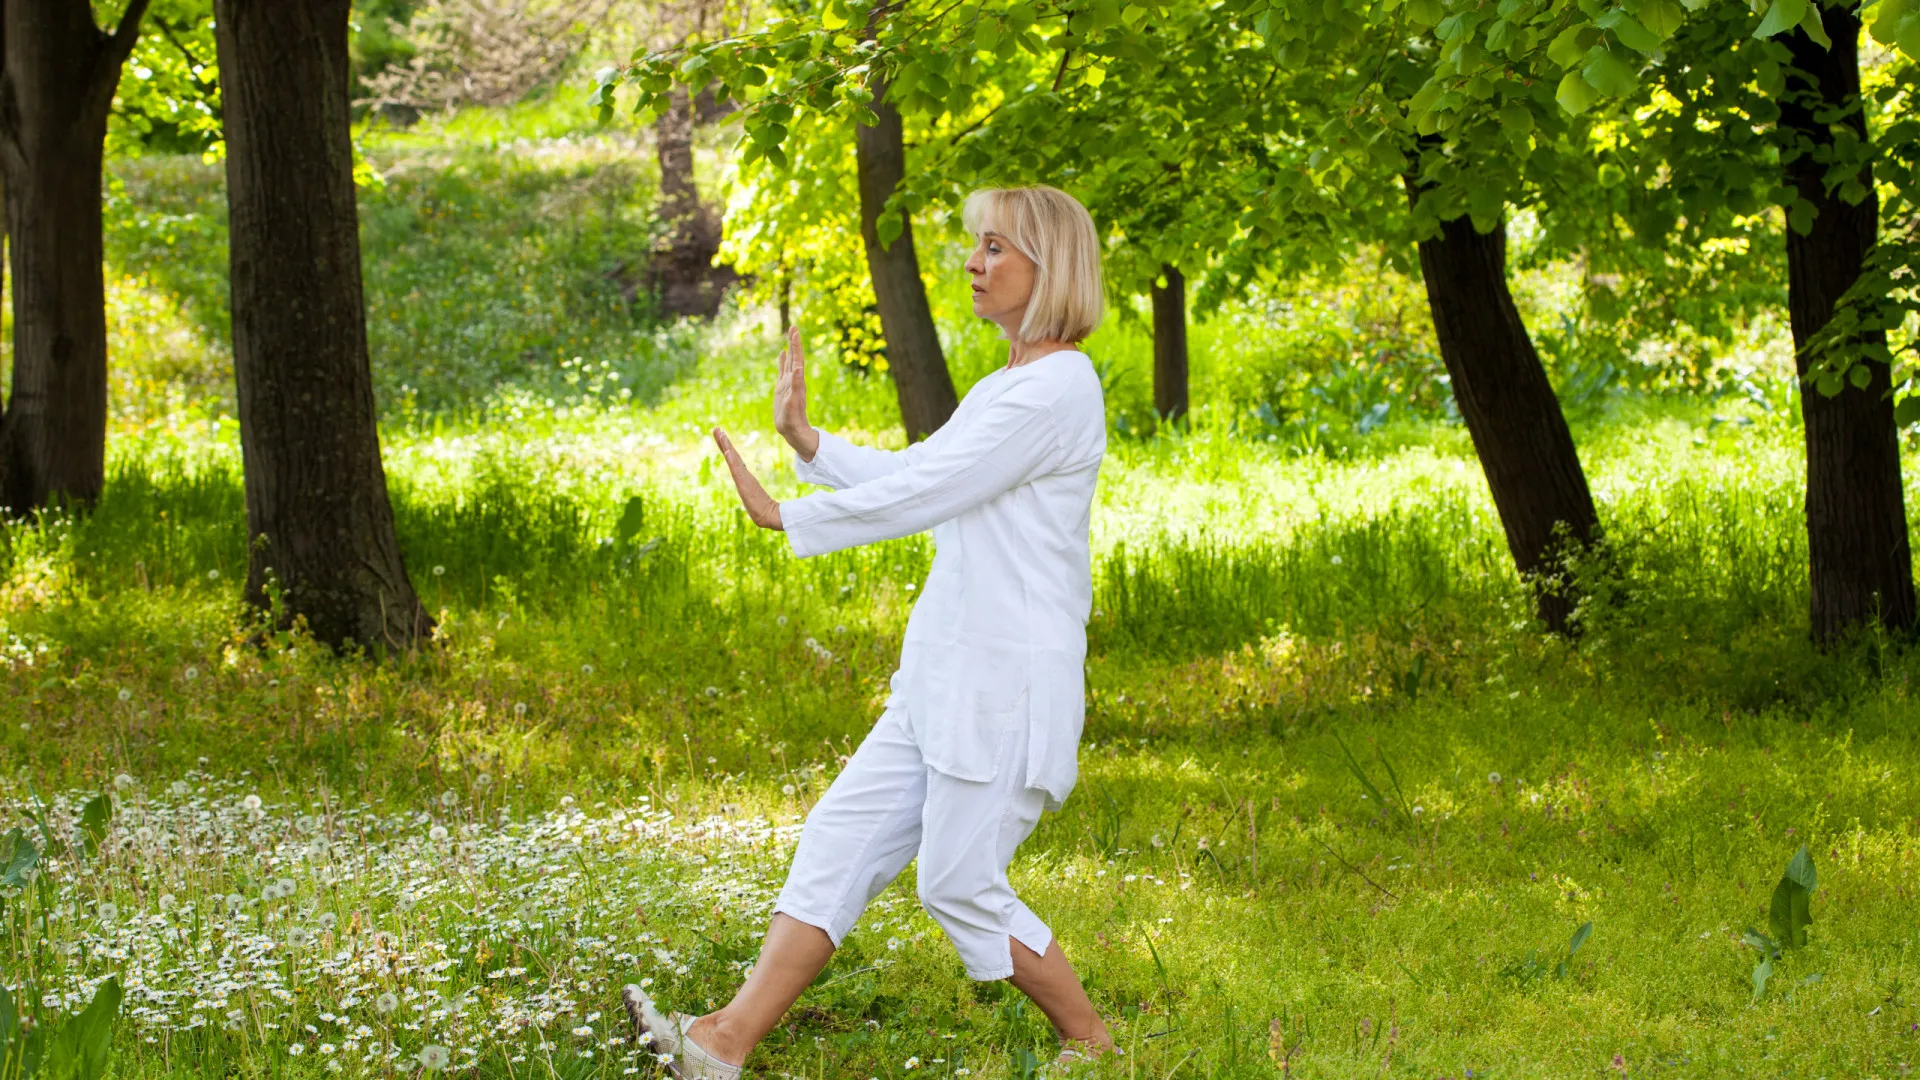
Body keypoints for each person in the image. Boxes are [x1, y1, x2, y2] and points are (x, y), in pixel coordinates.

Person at [623, 185, 1113, 1079]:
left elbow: (927, 491)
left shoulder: (1054, 391)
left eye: (996, 247)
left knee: (958, 885)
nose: (973, 262)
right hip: (944, 677)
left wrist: (789, 518)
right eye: (978, 246)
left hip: (1004, 690)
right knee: (837, 846)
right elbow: (930, 475)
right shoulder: (1012, 384)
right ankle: (719, 1044)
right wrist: (811, 444)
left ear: (1050, 268)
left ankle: (1094, 1047)